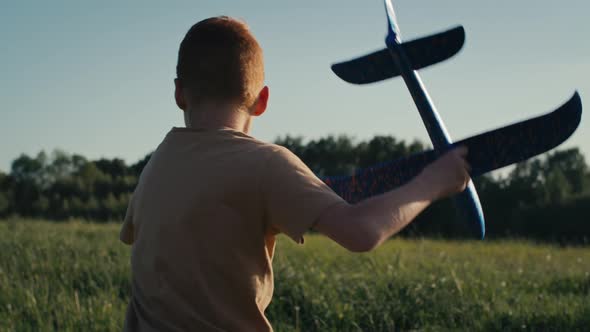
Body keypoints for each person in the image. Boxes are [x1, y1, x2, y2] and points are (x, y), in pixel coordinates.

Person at [119, 16, 471, 332]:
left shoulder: (158, 163)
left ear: (179, 93)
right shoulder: (267, 163)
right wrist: (434, 181)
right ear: (262, 100)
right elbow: (360, 232)